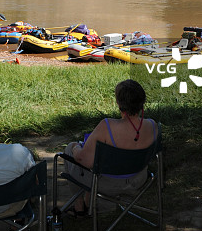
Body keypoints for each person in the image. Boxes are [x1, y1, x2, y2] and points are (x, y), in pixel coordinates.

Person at [64, 79, 158, 216]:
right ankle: (90, 203)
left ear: (119, 103)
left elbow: (83, 159)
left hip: (108, 184)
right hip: (138, 179)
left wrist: (74, 147)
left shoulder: (107, 126)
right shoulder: (152, 126)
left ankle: (80, 208)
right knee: (97, 159)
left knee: (71, 151)